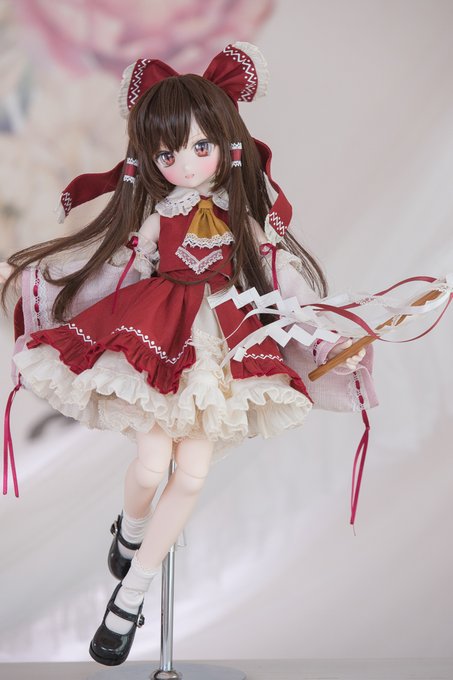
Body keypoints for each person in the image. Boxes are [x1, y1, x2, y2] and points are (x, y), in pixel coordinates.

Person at [0, 43, 374, 666]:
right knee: (151, 466)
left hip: (221, 348)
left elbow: (283, 285)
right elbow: (119, 273)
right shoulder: (158, 218)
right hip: (158, 339)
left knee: (192, 473)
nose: (185, 164)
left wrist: (327, 339)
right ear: (151, 159)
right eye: (168, 154)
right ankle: (130, 529)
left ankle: (129, 600)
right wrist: (59, 286)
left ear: (226, 146)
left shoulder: (243, 223)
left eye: (201, 147)